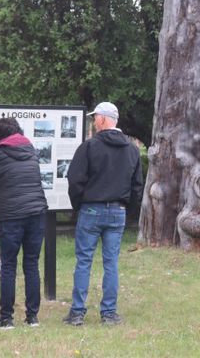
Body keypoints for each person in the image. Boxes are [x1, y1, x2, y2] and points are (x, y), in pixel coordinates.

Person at [64, 101, 143, 326]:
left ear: (102, 119)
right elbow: (137, 186)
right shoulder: (132, 150)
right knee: (111, 263)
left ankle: (77, 312)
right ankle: (109, 313)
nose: (94, 121)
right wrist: (128, 210)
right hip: (117, 210)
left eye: (95, 117)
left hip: (91, 208)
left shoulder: (89, 147)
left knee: (84, 261)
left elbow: (75, 180)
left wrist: (79, 204)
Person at [0, 117, 48, 329]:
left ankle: (6, 318)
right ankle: (32, 317)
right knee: (31, 263)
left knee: (9, 265)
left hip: (11, 215)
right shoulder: (32, 151)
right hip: (37, 212)